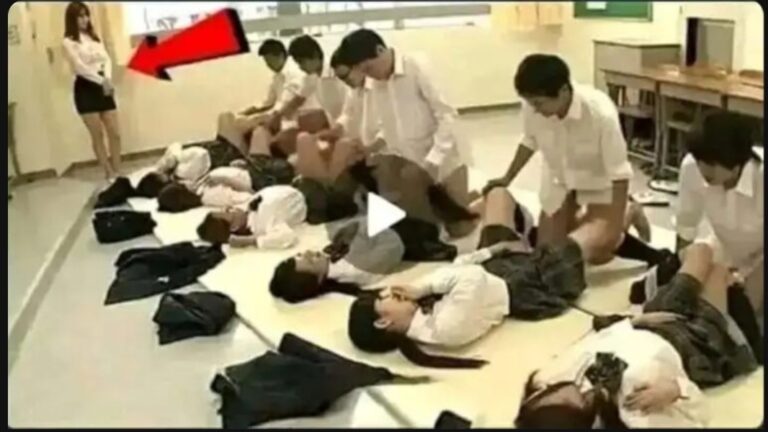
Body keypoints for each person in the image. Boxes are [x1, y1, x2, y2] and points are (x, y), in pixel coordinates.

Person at [515, 242, 760, 428]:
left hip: (650, 322)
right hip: (695, 344)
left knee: (701, 251)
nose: (557, 390)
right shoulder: (634, 415)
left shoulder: (552, 378)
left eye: (546, 392)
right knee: (719, 271)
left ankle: (656, 279)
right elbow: (700, 415)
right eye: (568, 400)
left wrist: (631, 322)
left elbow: (593, 340)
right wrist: (676, 390)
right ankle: (661, 280)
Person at [484, 54, 643, 266]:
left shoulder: (600, 115)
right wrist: (507, 178)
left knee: (596, 251)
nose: (534, 109)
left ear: (564, 91)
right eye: (530, 103)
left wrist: (612, 228)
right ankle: (580, 219)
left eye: (538, 103)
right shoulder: (533, 106)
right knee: (548, 252)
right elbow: (530, 140)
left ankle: (629, 211)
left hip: (596, 180)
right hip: (558, 178)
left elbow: (619, 173)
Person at [338, 29, 476, 238]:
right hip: (410, 167)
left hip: (443, 159)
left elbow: (447, 115)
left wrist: (431, 162)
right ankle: (455, 201)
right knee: (420, 233)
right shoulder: (376, 82)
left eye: (369, 68)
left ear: (380, 50)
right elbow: (388, 127)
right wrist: (370, 149)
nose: (369, 76)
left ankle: (483, 201)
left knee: (459, 229)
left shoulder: (418, 66)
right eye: (363, 72)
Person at [675, 111, 763, 314]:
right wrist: (681, 277)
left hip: (760, 256)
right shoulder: (692, 167)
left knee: (745, 313)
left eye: (711, 164)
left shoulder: (761, 177)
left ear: (736, 165)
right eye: (699, 160)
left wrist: (749, 295)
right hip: (726, 248)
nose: (703, 169)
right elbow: (686, 225)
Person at [269, 217, 458, 303]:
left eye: (301, 254)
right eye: (311, 260)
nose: (310, 252)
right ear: (318, 279)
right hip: (408, 234)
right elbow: (393, 247)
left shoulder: (332, 257)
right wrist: (365, 225)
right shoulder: (354, 270)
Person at [248, 35, 346, 160]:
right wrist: (277, 117)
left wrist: (332, 130)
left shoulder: (337, 75)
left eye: (302, 62)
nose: (300, 67)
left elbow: (349, 111)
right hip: (331, 125)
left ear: (315, 55)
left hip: (340, 126)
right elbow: (297, 99)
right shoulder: (311, 76)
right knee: (282, 144)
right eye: (298, 63)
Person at [196, 179, 359, 248]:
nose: (230, 209)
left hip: (300, 185)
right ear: (234, 227)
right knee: (352, 195)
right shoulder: (262, 224)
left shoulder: (244, 207)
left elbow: (221, 195)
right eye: (228, 213)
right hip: (315, 204)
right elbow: (286, 236)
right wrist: (248, 241)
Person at [62, 1, 121, 180]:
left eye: (86, 15)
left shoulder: (94, 37)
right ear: (72, 19)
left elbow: (106, 59)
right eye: (80, 16)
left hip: (104, 85)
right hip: (86, 88)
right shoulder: (68, 42)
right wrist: (101, 81)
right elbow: (80, 68)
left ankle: (117, 171)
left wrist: (107, 79)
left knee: (115, 133)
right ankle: (109, 173)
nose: (84, 19)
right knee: (98, 135)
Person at [217, 39, 298, 155]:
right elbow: (267, 102)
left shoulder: (293, 74)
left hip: (282, 117)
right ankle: (239, 152)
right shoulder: (277, 77)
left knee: (231, 122)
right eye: (266, 62)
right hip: (273, 113)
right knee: (226, 117)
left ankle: (239, 153)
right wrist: (250, 111)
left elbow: (283, 105)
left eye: (270, 60)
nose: (269, 65)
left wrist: (259, 116)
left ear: (281, 55)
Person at [135, 138, 244, 198]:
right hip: (223, 152)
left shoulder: (170, 167)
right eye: (157, 174)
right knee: (235, 120)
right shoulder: (182, 173)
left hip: (217, 146)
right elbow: (202, 155)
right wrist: (177, 158)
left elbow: (175, 144)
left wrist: (171, 159)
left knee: (228, 117)